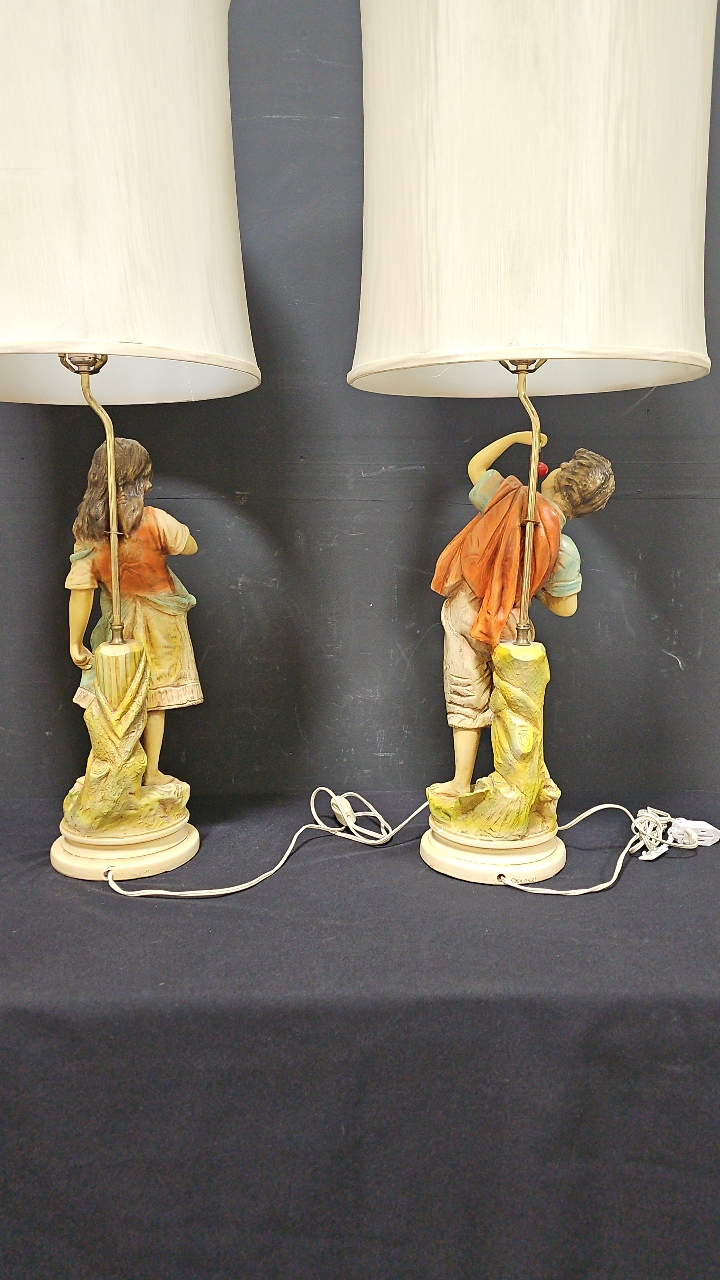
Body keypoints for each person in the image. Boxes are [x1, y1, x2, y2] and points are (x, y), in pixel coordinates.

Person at [432, 430, 614, 798]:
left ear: (560, 479)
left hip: (466, 608)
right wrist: (533, 586)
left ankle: (461, 782)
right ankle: (517, 785)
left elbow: (476, 466)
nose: (557, 465)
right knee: (516, 708)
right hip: (508, 625)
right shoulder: (564, 548)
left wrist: (516, 438)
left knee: (465, 694)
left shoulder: (508, 498)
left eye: (564, 465)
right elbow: (566, 607)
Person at [65, 438, 202, 787]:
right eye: (145, 477)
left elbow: (82, 589)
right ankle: (138, 771)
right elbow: (189, 546)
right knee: (152, 698)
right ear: (135, 482)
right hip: (159, 621)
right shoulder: (156, 520)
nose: (151, 485)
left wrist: (76, 642)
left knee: (117, 697)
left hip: (123, 622)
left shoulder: (88, 533)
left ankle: (128, 772)